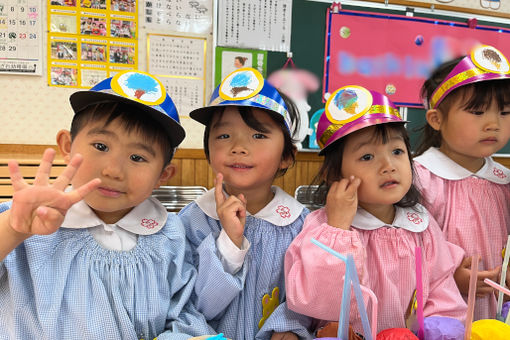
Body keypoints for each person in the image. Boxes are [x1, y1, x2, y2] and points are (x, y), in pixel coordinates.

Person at [0, 70, 213, 339]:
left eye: (137, 157)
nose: (114, 170)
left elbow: (182, 313)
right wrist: (13, 229)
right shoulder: (26, 221)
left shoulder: (168, 235)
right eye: (100, 146)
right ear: (68, 146)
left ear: (163, 175)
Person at [284, 85, 467, 334]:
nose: (388, 165)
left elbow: (442, 292)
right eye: (367, 157)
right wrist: (338, 229)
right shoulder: (322, 228)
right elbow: (320, 303)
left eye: (397, 151)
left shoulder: (421, 225)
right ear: (333, 174)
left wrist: (439, 330)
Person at [179, 67, 313, 339]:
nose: (238, 147)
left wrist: (291, 327)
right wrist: (228, 242)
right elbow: (190, 305)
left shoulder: (302, 224)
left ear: (287, 156)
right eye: (224, 136)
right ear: (208, 152)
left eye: (258, 135)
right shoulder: (191, 222)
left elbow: (305, 297)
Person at [414, 44, 510, 321]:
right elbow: (406, 249)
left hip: (497, 313)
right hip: (443, 313)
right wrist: (450, 276)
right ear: (437, 119)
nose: (493, 124)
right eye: (478, 112)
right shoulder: (420, 178)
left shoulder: (503, 182)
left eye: (504, 112)